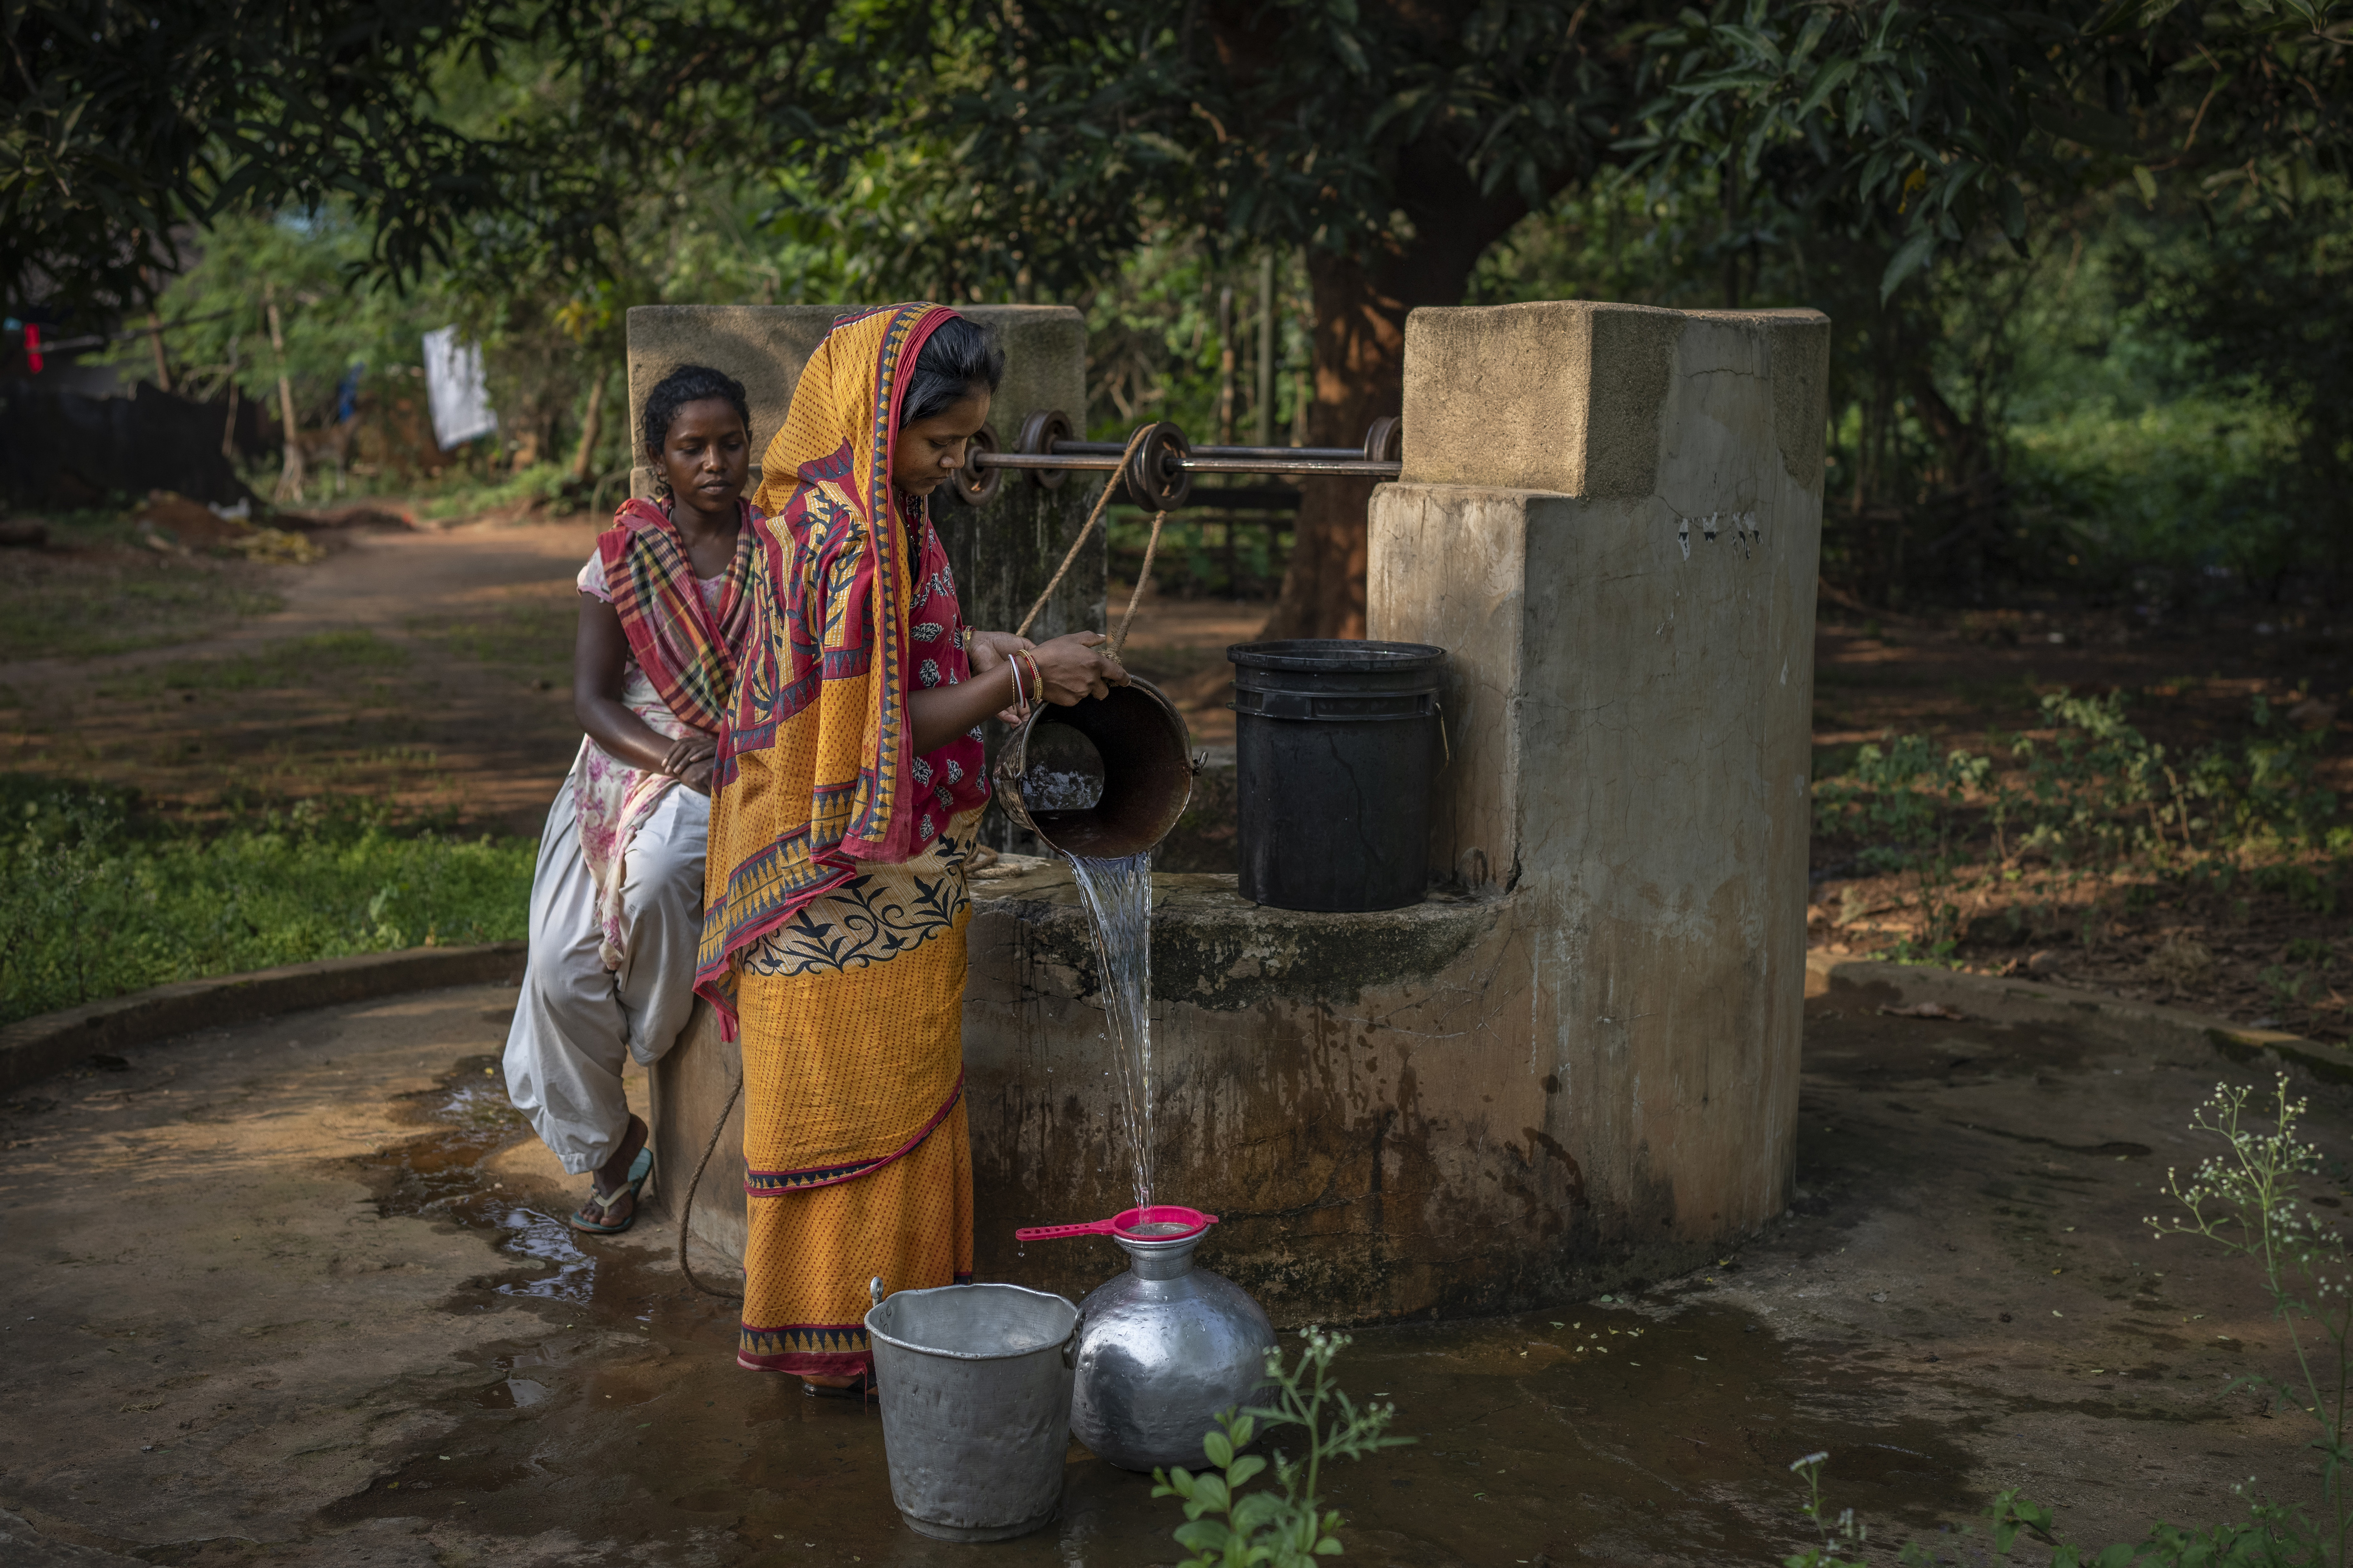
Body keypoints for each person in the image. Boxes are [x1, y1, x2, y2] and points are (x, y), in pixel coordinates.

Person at [696, 305, 1126, 1395]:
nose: (954, 463)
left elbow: (885, 661)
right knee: (853, 1102)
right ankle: (845, 1346)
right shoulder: (848, 534)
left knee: (897, 1094)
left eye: (969, 442)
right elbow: (874, 724)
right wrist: (1023, 679)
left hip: (876, 874)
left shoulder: (852, 506)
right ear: (877, 417)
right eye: (939, 442)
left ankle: (898, 1343)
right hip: (831, 878)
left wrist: (969, 646)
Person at [503, 364, 761, 1236]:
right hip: (628, 759)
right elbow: (591, 701)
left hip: (744, 754)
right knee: (556, 970)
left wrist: (715, 758)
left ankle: (655, 1037)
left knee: (658, 878)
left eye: (730, 444)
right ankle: (615, 1149)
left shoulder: (785, 553)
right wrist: (674, 757)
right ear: (660, 457)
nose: (714, 463)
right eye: (693, 448)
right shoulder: (623, 557)